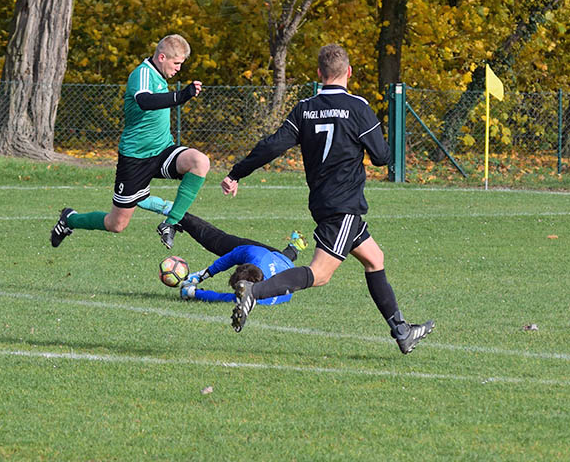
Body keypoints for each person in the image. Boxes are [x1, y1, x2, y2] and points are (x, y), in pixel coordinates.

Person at [222, 44, 434, 354]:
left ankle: (402, 331)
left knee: (375, 259)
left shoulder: (305, 108)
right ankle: (255, 291)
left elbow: (272, 146)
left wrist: (236, 172)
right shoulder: (358, 108)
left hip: (325, 203)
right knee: (319, 275)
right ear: (348, 72)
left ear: (319, 74)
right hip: (344, 205)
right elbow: (381, 157)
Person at [51, 34, 209, 250]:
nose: (179, 69)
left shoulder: (161, 76)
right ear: (162, 57)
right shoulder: (143, 73)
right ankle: (69, 219)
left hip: (163, 150)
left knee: (200, 162)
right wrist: (180, 96)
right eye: (177, 63)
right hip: (136, 159)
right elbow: (143, 101)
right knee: (116, 224)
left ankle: (170, 223)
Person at [139, 196, 308, 304]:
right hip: (276, 261)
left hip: (281, 262)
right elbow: (230, 257)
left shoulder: (261, 296)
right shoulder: (254, 254)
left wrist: (193, 293)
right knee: (217, 242)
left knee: (276, 256)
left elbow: (224, 298)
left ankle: (293, 249)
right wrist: (200, 276)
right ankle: (173, 211)